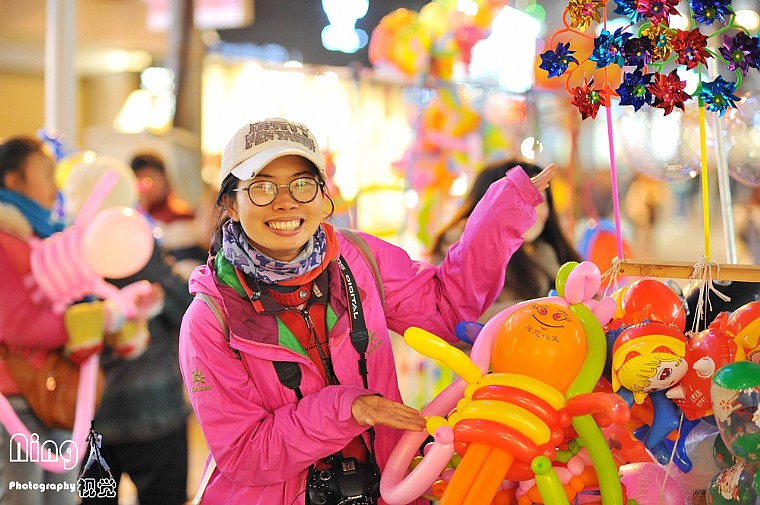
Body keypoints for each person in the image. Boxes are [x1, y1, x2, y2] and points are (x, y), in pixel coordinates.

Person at [178, 118, 555, 504]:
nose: (286, 201)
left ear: (323, 196)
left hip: (383, 489)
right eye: (262, 187)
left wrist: (501, 212)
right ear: (231, 204)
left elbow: (446, 310)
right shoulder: (210, 318)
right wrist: (348, 409)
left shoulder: (358, 259)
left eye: (302, 184)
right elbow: (244, 452)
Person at [59, 154, 193, 505]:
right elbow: (188, 313)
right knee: (164, 498)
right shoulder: (140, 245)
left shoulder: (62, 256)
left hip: (91, 418)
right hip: (154, 410)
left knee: (95, 500)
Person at [0, 136, 82, 505]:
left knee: (60, 497)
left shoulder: (38, 235)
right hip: (15, 395)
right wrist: (83, 323)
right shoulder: (6, 240)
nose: (55, 185)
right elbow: (18, 324)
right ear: (14, 181)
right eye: (47, 174)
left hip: (52, 388)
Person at [429, 159, 582, 322]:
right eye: (526, 200)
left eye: (543, 201)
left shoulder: (547, 253)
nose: (536, 211)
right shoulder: (460, 252)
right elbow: (456, 318)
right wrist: (540, 312)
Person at [129, 152, 207, 278]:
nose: (145, 188)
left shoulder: (186, 218)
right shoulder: (133, 219)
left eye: (149, 179)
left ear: (164, 178)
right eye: (139, 180)